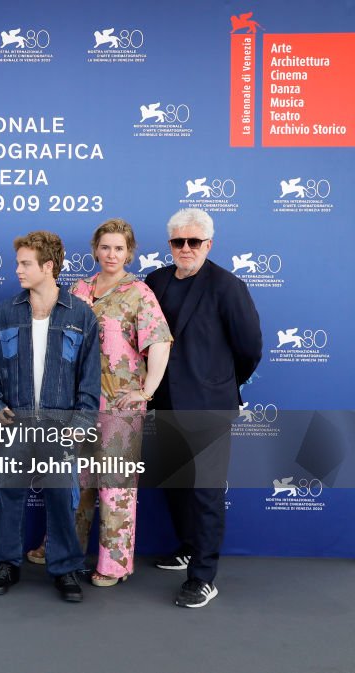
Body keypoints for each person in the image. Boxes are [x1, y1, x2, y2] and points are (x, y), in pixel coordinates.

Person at [144, 208, 261, 608]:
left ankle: (203, 576)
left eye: (194, 241)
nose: (186, 248)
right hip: (164, 404)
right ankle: (188, 547)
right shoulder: (156, 281)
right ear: (170, 244)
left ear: (209, 244)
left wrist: (219, 384)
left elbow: (250, 348)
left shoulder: (228, 287)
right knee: (176, 486)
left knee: (206, 492)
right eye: (179, 241)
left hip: (209, 407)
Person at [0, 231, 100, 602]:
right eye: (18, 262)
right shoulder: (4, 313)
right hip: (14, 422)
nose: (17, 270)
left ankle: (65, 569)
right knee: (9, 494)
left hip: (60, 425)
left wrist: (81, 425)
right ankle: (6, 564)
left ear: (48, 266)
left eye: (25, 263)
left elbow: (90, 378)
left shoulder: (81, 314)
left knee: (62, 498)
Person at [69, 218, 172, 587]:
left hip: (120, 404)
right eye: (105, 247)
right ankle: (66, 551)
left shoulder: (139, 293)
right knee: (76, 481)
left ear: (129, 252)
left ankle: (114, 564)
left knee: (115, 485)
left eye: (119, 248)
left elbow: (159, 342)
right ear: (95, 249)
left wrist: (146, 391)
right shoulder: (79, 289)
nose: (111, 254)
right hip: (79, 402)